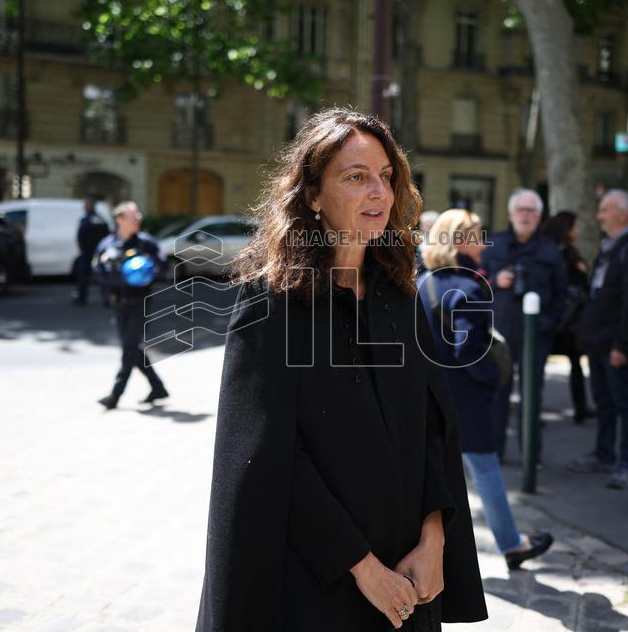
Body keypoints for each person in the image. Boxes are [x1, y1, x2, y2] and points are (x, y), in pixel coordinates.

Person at [196, 109, 488, 631]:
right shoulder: (271, 303)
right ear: (311, 195)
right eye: (356, 177)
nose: (379, 191)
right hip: (316, 583)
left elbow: (433, 427)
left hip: (409, 575)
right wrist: (362, 568)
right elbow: (266, 459)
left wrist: (434, 538)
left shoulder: (400, 294)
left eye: (386, 176)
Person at [418, 208, 553, 571]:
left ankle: (438, 553)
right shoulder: (470, 285)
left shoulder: (424, 282)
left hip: (430, 397)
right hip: (466, 399)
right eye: (477, 235)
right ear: (460, 240)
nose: (483, 242)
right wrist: (493, 380)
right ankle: (511, 544)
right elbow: (467, 350)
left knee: (437, 477)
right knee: (486, 470)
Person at [570, 190, 628, 489]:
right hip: (598, 341)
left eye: (605, 210)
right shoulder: (610, 246)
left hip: (616, 343)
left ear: (622, 213)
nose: (599, 215)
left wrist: (623, 344)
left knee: (623, 402)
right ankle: (604, 454)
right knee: (604, 401)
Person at [479, 188, 567, 459]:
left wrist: (548, 324)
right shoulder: (494, 245)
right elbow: (477, 287)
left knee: (531, 397)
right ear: (510, 213)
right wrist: (496, 281)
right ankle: (494, 452)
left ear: (540, 216)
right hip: (500, 333)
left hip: (536, 335)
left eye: (531, 211)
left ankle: (531, 456)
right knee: (497, 394)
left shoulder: (550, 251)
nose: (525, 215)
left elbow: (561, 295)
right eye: (521, 210)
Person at [93, 202, 168, 409]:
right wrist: (109, 271)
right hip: (118, 304)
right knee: (133, 349)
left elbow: (165, 268)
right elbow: (97, 271)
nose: (138, 219)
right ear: (120, 219)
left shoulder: (146, 243)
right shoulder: (107, 244)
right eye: (133, 216)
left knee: (128, 350)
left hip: (139, 304)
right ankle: (158, 387)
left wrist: (149, 266)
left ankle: (115, 396)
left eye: (138, 215)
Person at [540, 211, 591, 424]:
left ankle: (581, 408)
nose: (577, 231)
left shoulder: (566, 251)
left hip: (567, 320)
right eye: (574, 226)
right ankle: (535, 411)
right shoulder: (553, 251)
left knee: (575, 363)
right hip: (557, 317)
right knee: (541, 363)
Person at [73, 197, 110, 306]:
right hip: (99, 252)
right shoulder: (101, 219)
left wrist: (82, 248)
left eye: (86, 204)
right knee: (102, 275)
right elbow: (107, 235)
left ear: (90, 206)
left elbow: (81, 236)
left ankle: (82, 297)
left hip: (88, 252)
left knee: (84, 276)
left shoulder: (86, 220)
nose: (84, 206)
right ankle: (107, 299)